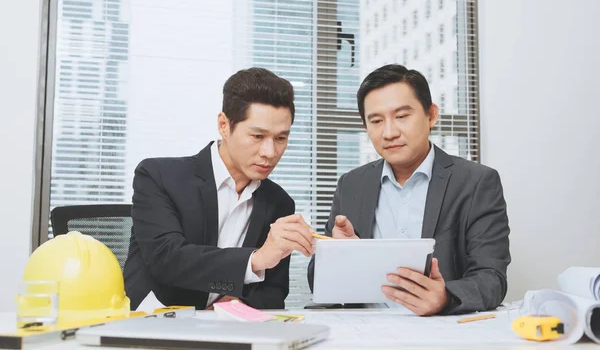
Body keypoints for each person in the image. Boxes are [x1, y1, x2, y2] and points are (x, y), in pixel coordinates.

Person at [307, 64, 511, 315]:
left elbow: (492, 278)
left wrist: (446, 298)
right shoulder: (351, 185)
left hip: (441, 331)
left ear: (431, 115)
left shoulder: (476, 182)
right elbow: (318, 280)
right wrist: (338, 256)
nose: (390, 132)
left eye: (402, 116)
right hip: (365, 331)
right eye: (376, 121)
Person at [124, 67, 315, 310]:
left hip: (229, 331)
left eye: (280, 139)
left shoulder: (279, 202)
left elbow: (273, 292)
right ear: (224, 125)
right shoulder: (158, 177)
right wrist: (255, 260)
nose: (270, 152)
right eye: (257, 136)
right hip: (153, 329)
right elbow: (167, 259)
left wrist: (236, 305)